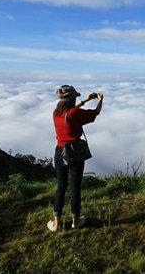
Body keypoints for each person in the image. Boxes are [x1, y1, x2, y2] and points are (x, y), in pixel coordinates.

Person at [48, 85, 103, 232]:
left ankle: (57, 223)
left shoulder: (56, 112)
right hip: (73, 152)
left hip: (59, 152)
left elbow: (70, 112)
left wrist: (85, 100)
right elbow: (95, 113)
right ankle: (75, 222)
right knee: (75, 188)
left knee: (61, 187)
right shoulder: (73, 114)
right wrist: (100, 100)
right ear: (72, 99)